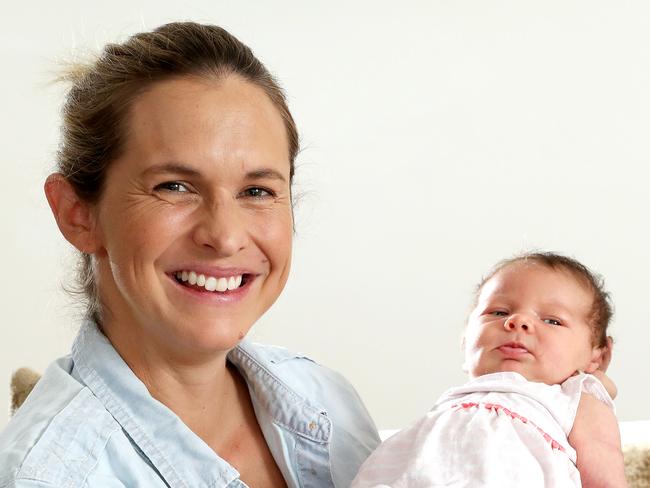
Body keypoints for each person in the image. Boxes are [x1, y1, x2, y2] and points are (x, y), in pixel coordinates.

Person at [0, 22, 380, 487]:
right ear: (78, 214)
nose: (224, 236)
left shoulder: (330, 403)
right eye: (174, 187)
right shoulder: (47, 478)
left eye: (257, 190)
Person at [351, 252, 627, 488]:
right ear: (465, 339)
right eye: (498, 313)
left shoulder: (578, 397)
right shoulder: (450, 408)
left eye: (552, 320)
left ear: (598, 355)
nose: (518, 322)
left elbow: (605, 478)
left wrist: (596, 381)